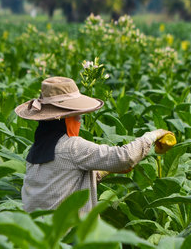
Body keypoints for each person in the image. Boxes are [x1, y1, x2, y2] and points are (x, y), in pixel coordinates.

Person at [15, 76, 170, 213]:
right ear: (65, 120)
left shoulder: (35, 150)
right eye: (77, 117)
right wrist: (153, 135)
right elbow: (125, 157)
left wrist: (105, 170)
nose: (79, 122)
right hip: (67, 239)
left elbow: (64, 180)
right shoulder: (72, 147)